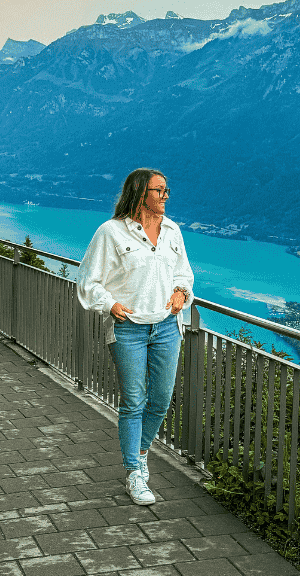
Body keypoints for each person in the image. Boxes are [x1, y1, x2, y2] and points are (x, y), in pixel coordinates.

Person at [76, 168, 194, 505]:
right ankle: (134, 473)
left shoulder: (172, 231)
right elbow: (87, 281)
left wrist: (181, 294)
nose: (165, 196)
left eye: (167, 190)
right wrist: (109, 304)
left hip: (167, 327)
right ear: (140, 194)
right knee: (133, 401)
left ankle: (141, 454)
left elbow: (184, 274)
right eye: (159, 190)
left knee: (160, 399)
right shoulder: (110, 233)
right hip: (129, 328)